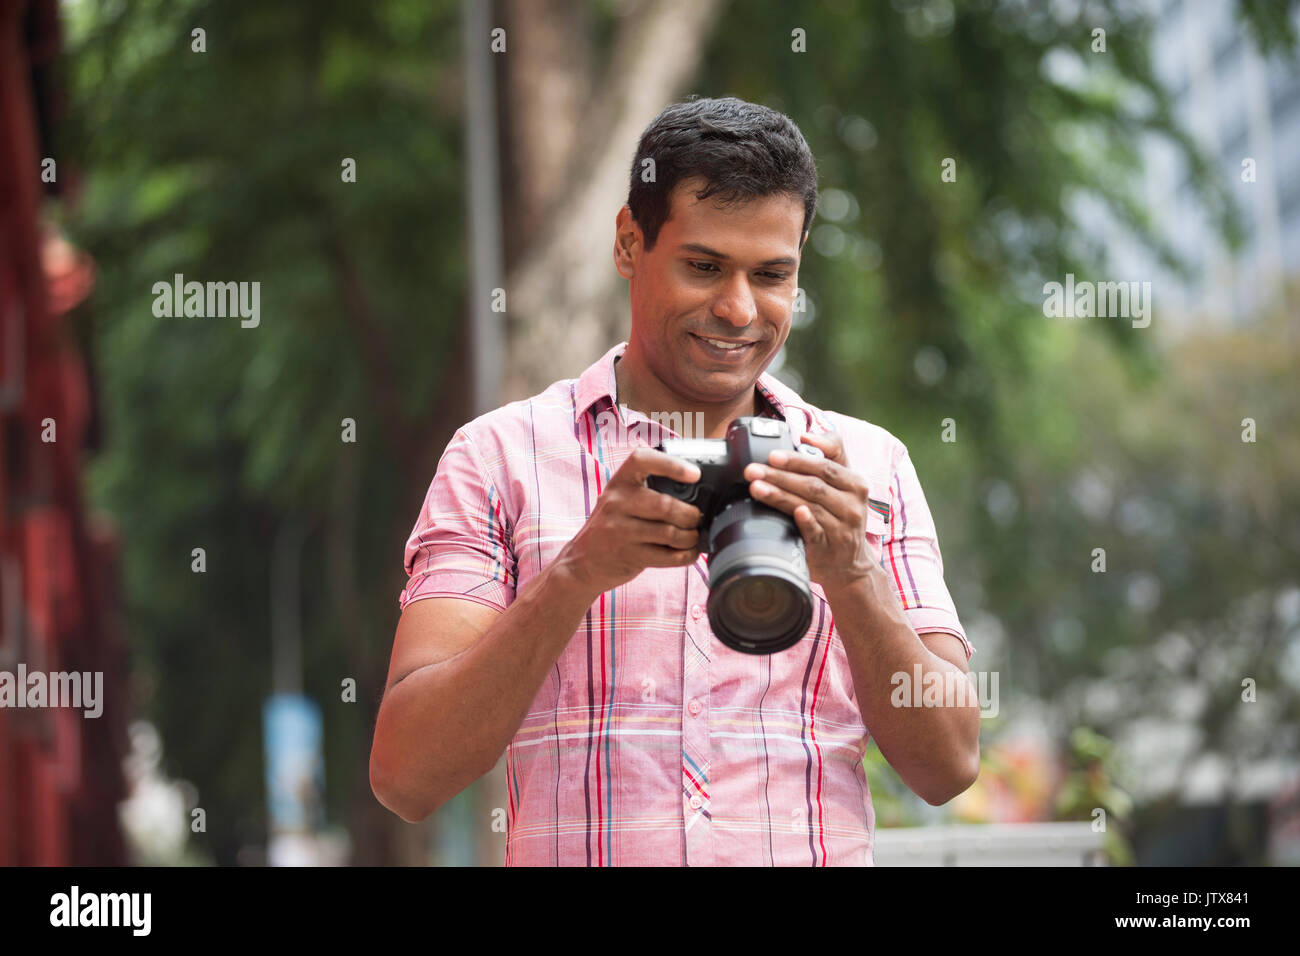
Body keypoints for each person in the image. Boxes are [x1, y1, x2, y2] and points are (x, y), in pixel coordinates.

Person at [370, 95, 979, 866]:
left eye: (771, 275)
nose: (737, 308)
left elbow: (949, 765)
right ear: (630, 242)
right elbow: (406, 775)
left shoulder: (864, 465)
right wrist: (576, 572)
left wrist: (854, 576)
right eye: (703, 266)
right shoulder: (497, 458)